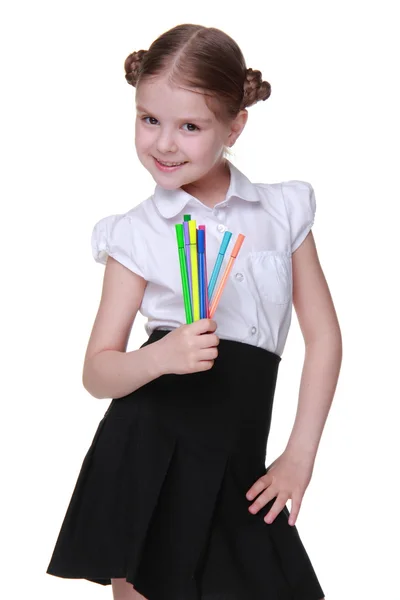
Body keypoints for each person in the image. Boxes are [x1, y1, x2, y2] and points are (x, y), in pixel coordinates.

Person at [46, 23, 342, 600]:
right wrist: (162, 355)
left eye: (190, 126)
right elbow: (97, 371)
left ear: (235, 125)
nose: (164, 143)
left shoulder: (282, 211)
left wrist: (299, 456)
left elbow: (324, 338)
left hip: (240, 462)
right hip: (148, 455)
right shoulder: (134, 234)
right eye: (148, 119)